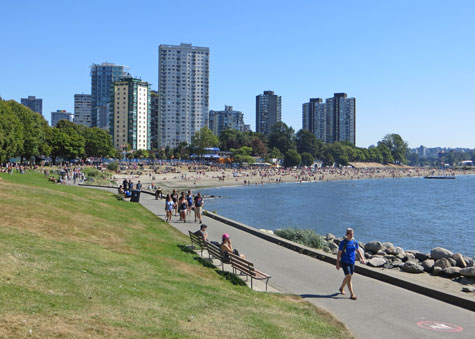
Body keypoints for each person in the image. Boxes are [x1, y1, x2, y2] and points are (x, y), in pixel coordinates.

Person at [336, 228, 365, 300]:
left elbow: (358, 250)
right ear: (347, 234)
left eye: (352, 233)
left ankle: (341, 288)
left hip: (352, 262)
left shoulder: (354, 242)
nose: (351, 234)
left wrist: (362, 258)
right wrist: (337, 263)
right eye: (349, 233)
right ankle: (352, 294)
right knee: (348, 276)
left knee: (349, 277)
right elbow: (339, 253)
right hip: (344, 261)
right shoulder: (343, 243)